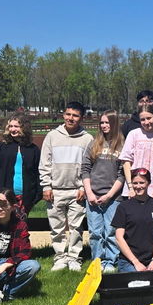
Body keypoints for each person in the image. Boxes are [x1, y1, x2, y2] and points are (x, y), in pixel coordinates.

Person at [39, 101, 94, 272]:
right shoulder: (52, 136)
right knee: (57, 227)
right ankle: (60, 257)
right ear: (64, 115)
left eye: (75, 115)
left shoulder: (87, 139)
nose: (71, 118)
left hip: (76, 190)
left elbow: (89, 166)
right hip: (55, 189)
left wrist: (84, 188)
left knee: (76, 226)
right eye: (68, 114)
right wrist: (46, 186)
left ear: (81, 118)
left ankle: (74, 257)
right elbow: (45, 163)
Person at [81, 110, 125, 274]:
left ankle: (110, 261)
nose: (104, 126)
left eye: (108, 122)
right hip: (92, 196)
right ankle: (97, 261)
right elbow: (85, 169)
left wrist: (109, 195)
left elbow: (122, 174)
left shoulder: (122, 144)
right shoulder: (94, 143)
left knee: (111, 232)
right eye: (102, 123)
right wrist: (90, 193)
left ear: (114, 124)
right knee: (95, 232)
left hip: (113, 197)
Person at [0, 112, 40, 213]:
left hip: (24, 197)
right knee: (2, 225)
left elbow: (37, 172)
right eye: (10, 126)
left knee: (20, 225)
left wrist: (37, 195)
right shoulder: (0, 146)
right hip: (2, 196)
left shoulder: (33, 149)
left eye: (16, 126)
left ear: (24, 128)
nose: (12, 129)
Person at [111, 167, 153, 272]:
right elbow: (119, 238)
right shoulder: (124, 207)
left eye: (141, 182)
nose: (138, 186)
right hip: (129, 261)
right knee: (138, 284)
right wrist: (135, 262)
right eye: (135, 183)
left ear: (148, 183)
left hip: (150, 260)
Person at [120, 104, 153, 200]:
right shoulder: (133, 134)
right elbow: (126, 162)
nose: (146, 122)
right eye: (143, 119)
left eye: (149, 118)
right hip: (134, 189)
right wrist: (131, 187)